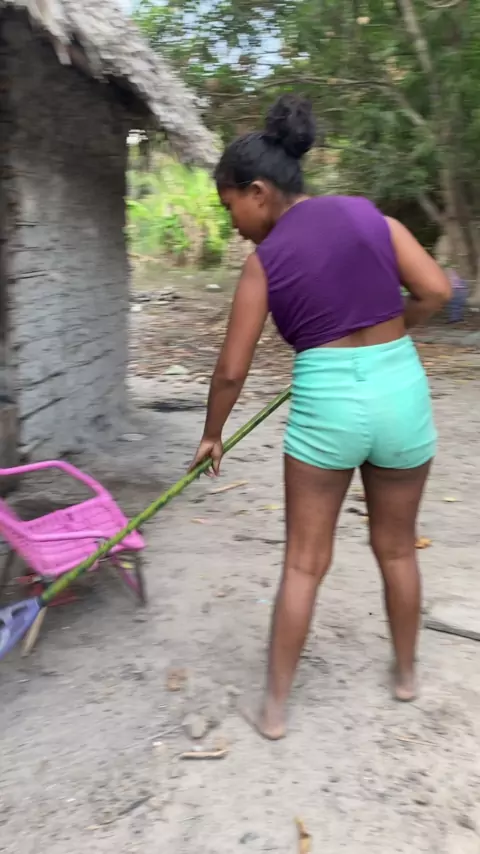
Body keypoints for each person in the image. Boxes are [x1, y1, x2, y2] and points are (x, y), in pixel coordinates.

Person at [189, 94, 451, 740]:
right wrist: (392, 331)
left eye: (230, 207)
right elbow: (437, 291)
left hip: (327, 404)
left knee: (305, 562)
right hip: (400, 392)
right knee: (398, 547)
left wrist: (213, 434)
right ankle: (406, 675)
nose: (233, 225)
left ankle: (275, 710)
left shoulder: (265, 262)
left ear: (258, 192)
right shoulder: (370, 217)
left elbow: (231, 370)